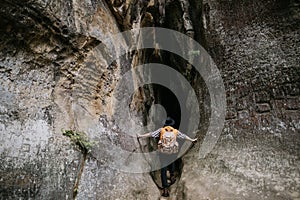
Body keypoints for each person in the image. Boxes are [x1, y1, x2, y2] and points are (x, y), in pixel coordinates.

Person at [137, 117, 197, 197]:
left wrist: (140, 136)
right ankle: (172, 176)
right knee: (172, 161)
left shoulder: (161, 130)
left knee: (163, 169)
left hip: (163, 153)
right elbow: (183, 136)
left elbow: (151, 134)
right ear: (172, 124)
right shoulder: (175, 131)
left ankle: (165, 189)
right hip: (171, 152)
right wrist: (192, 140)